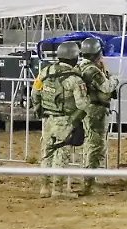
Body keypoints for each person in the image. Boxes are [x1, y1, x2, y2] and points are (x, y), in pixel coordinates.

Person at [32, 42, 90, 198]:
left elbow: (35, 93)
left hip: (48, 119)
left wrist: (40, 111)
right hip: (65, 120)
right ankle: (58, 190)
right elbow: (82, 104)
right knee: (61, 155)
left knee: (47, 153)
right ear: (75, 57)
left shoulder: (45, 71)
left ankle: (44, 188)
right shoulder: (74, 79)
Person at [77, 37, 117, 196]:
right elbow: (107, 87)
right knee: (96, 146)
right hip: (96, 111)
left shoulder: (81, 66)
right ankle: (88, 181)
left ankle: (89, 178)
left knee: (90, 144)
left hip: (87, 110)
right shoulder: (92, 70)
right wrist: (115, 78)